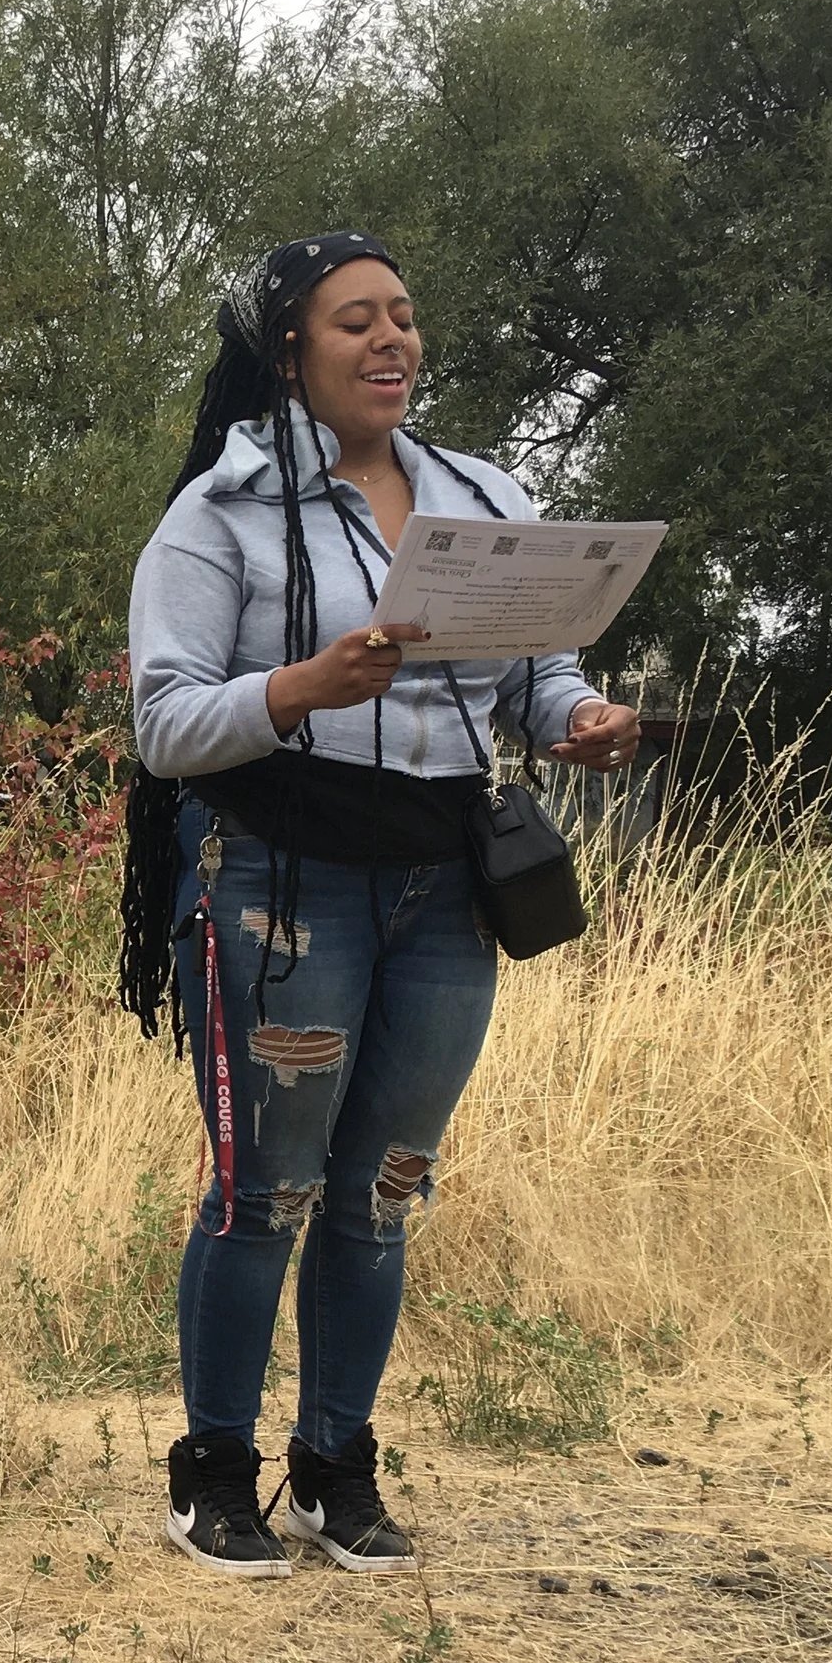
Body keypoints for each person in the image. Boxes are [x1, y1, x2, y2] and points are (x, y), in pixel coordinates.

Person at [119, 232, 640, 1579]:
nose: (393, 341)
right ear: (288, 348)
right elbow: (166, 723)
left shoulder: (480, 495)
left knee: (384, 1193)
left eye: (405, 316)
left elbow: (525, 677)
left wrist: (575, 715)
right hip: (282, 893)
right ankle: (214, 1476)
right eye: (357, 321)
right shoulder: (221, 512)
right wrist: (297, 688)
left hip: (443, 896)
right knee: (267, 1189)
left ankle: (335, 1472)